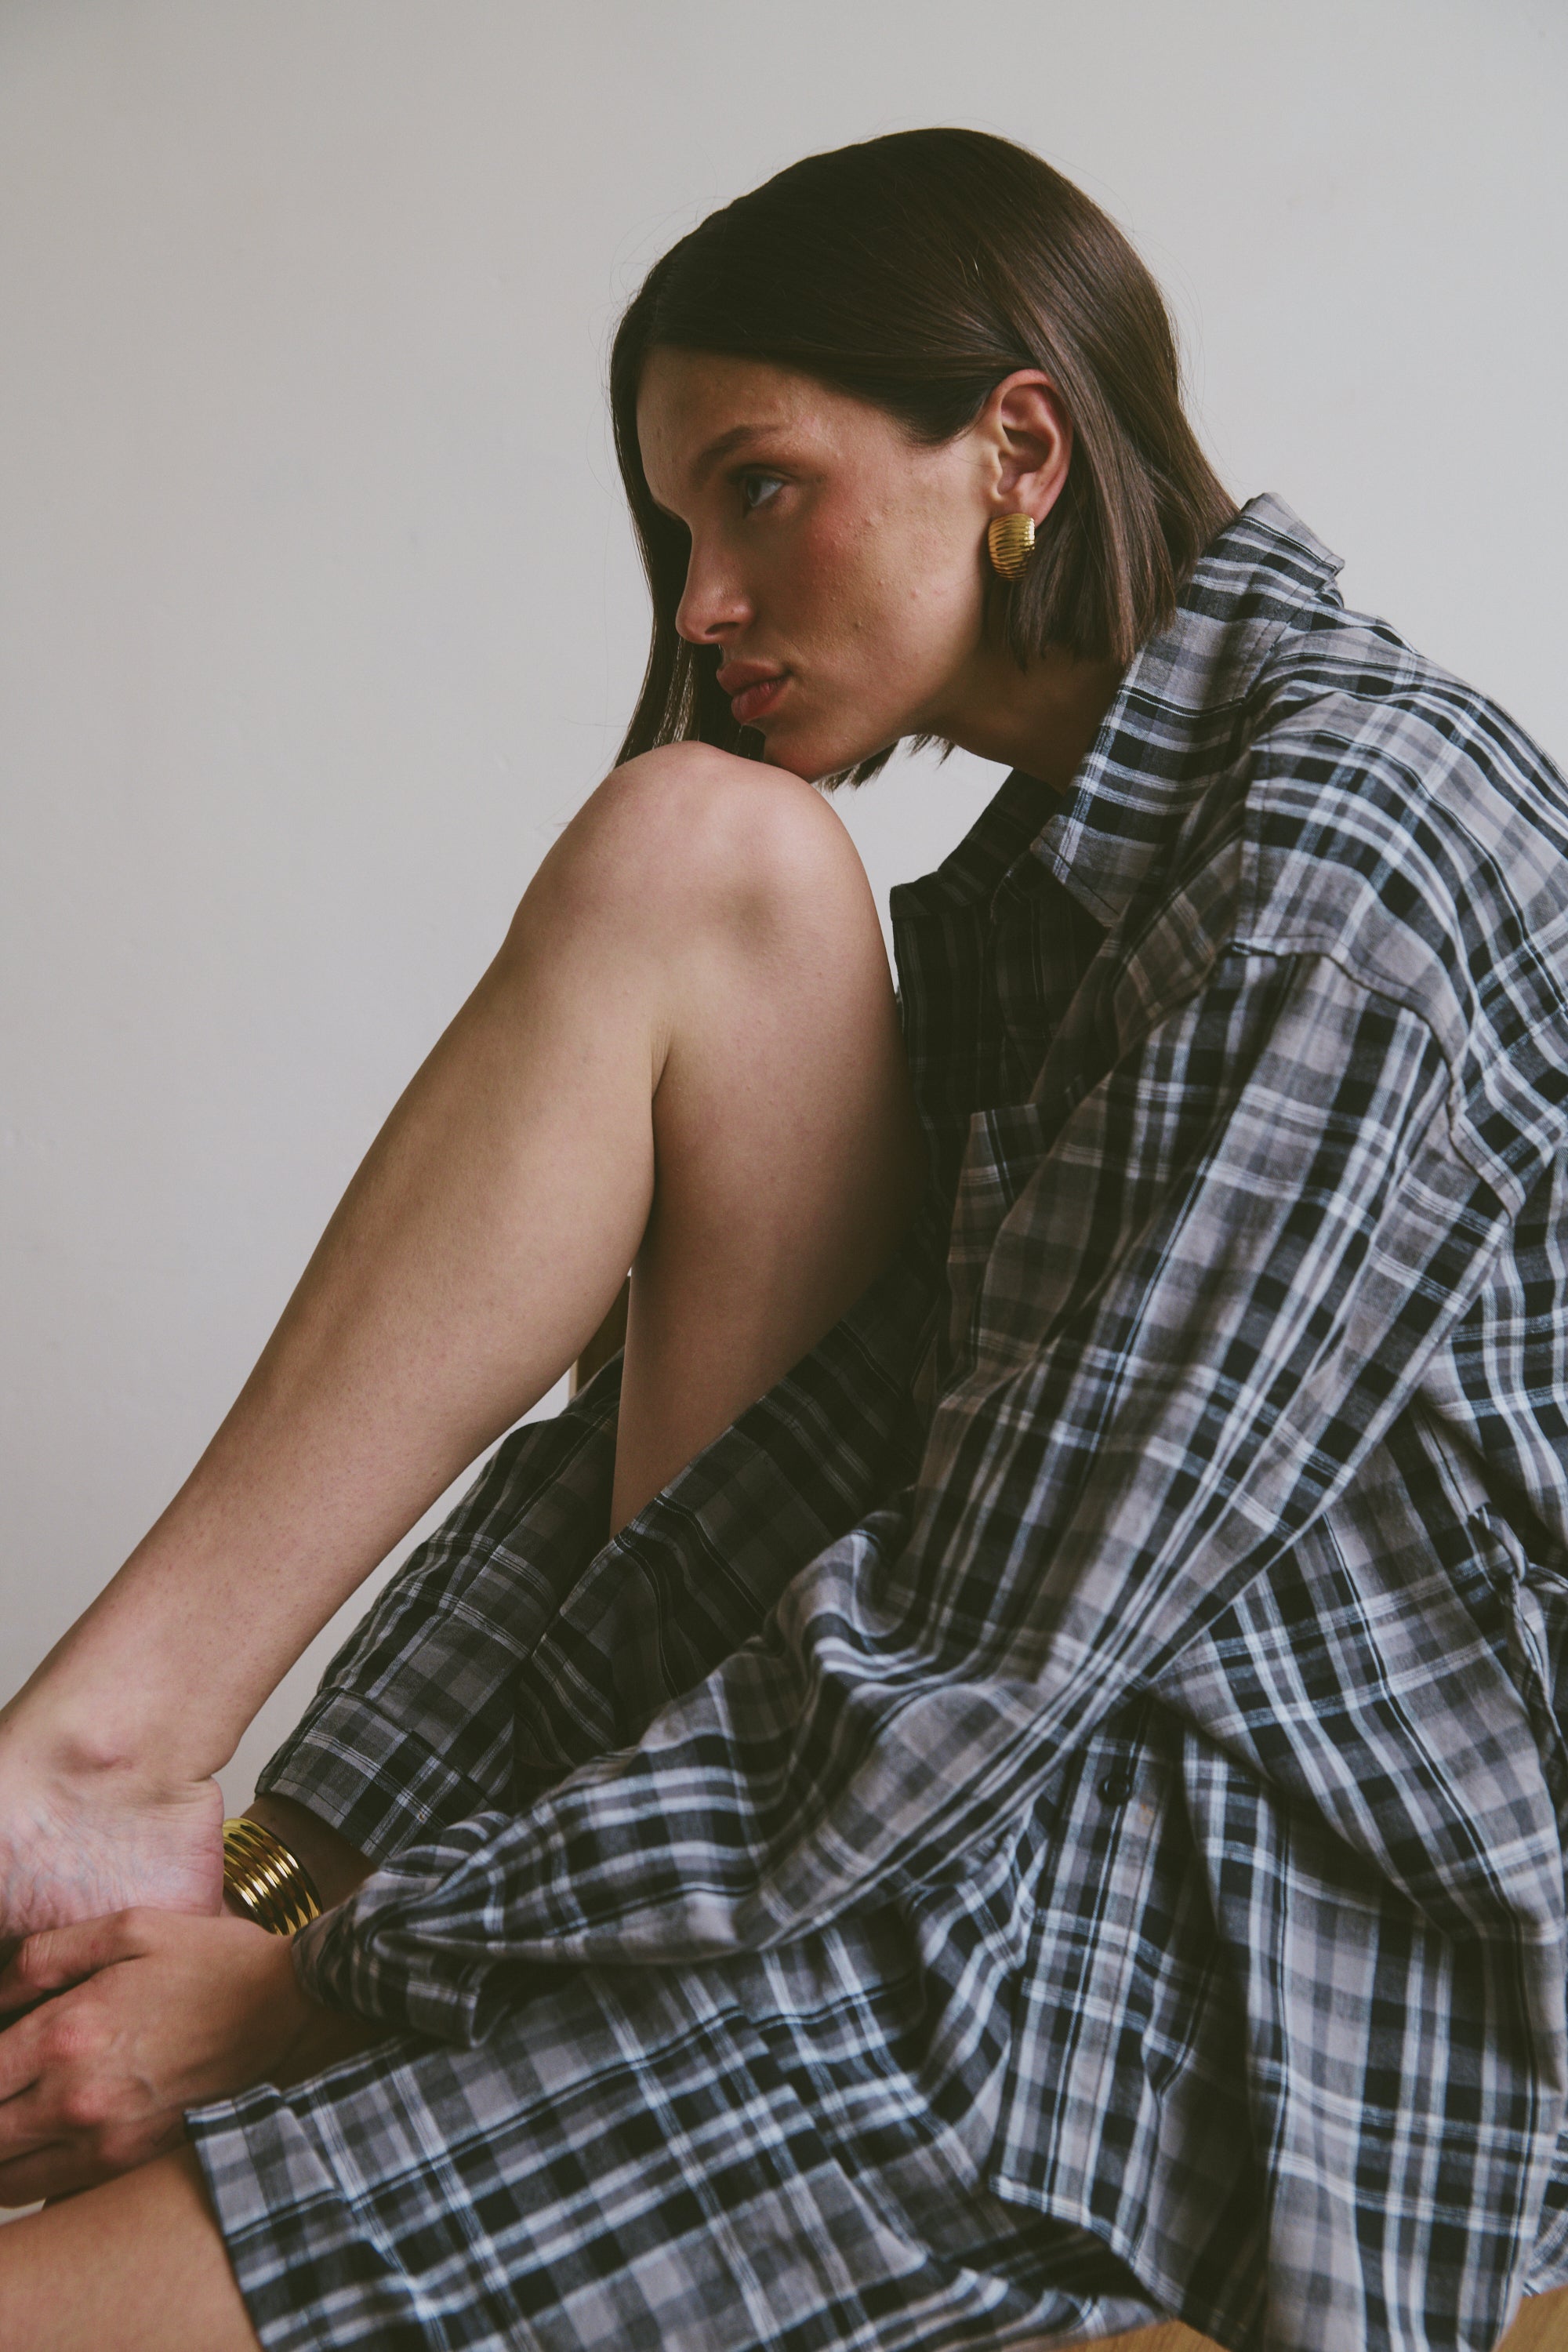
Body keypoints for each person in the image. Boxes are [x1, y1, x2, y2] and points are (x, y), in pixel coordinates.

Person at [0, 123, 1563, 2352]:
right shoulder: (1056, 910)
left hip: (1242, 1937)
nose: (702, 602)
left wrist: (331, 1982)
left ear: (1016, 445)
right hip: (981, 1784)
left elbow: (979, 1656)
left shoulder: (1343, 875)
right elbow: (728, 1473)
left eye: (758, 489)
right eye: (674, 528)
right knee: (700, 859)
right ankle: (91, 1775)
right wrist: (303, 1864)